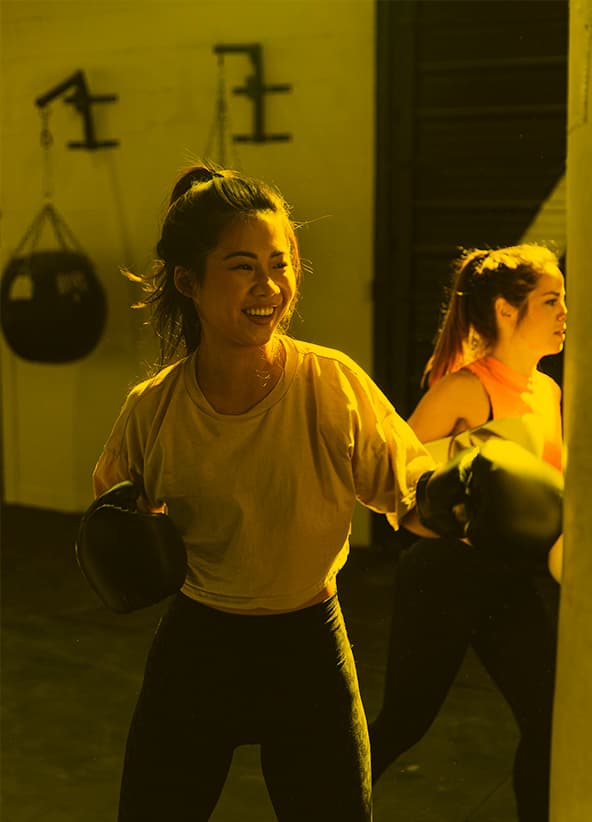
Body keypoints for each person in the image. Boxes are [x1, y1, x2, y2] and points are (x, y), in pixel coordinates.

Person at [91, 163, 437, 822]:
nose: (269, 286)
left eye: (281, 265)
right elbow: (115, 516)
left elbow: (409, 496)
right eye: (243, 266)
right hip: (199, 648)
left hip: (309, 650)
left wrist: (456, 501)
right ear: (189, 282)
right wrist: (127, 535)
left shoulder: (331, 385)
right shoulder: (153, 410)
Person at [369, 244, 566, 821]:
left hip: (516, 579)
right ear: (507, 309)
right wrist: (440, 508)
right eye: (551, 300)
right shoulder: (462, 390)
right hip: (448, 575)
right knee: (405, 721)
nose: (565, 313)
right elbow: (394, 486)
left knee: (551, 719)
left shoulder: (548, 391)